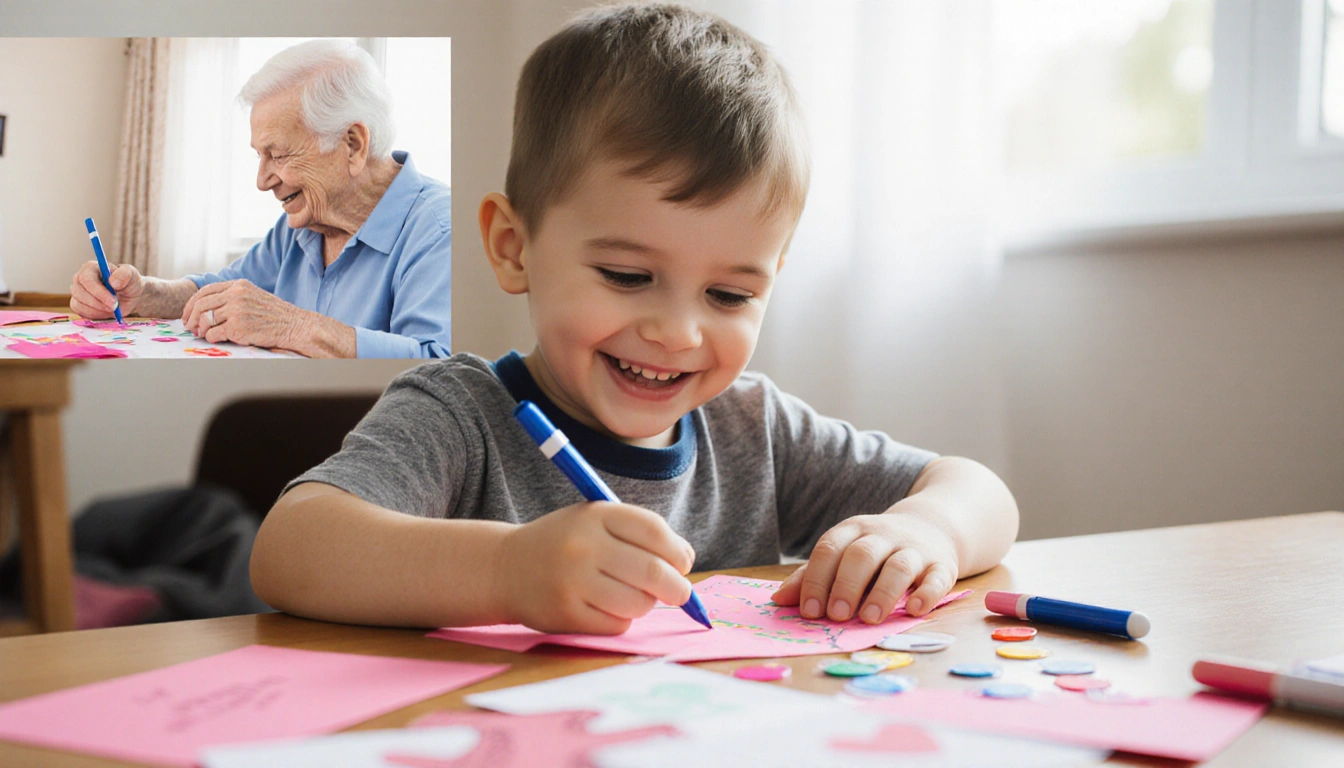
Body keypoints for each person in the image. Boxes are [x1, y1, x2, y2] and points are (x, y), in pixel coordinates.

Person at [252, 3, 1018, 634]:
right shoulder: (459, 414)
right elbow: (289, 548)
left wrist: (928, 532)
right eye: (627, 276)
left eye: (730, 295)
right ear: (514, 248)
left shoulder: (755, 428)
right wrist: (507, 571)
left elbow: (976, 489)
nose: (678, 333)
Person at [69, 39, 452, 358]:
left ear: (352, 144)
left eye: (279, 155)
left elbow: (440, 367)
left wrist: (292, 326)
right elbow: (211, 290)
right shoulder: (300, 227)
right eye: (259, 156)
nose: (262, 181)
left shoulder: (439, 229)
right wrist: (141, 294)